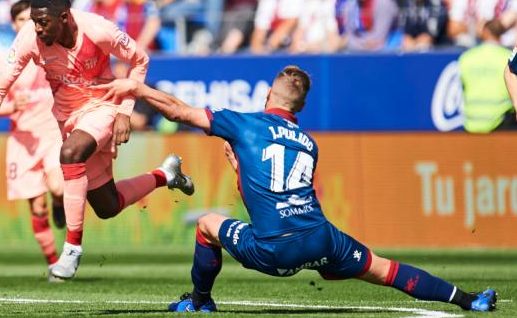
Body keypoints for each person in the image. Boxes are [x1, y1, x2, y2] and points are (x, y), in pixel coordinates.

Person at [95, 66, 498, 314]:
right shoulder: (308, 142)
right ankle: (468, 299)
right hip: (321, 239)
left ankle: (199, 302)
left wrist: (138, 90)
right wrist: (240, 168)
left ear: (267, 95)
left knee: (206, 225)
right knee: (384, 269)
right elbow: (283, 192)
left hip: (275, 247)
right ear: (299, 108)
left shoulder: (245, 123)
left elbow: (179, 111)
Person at [0, 0, 194, 281]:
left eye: (43, 22)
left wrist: (125, 111)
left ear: (65, 17)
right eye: (34, 21)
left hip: (102, 106)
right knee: (108, 206)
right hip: (67, 118)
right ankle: (165, 175)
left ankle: (71, 250)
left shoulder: (98, 29)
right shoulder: (30, 38)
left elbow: (140, 60)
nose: (37, 28)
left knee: (69, 153)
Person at [0, 0, 66, 273]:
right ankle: (54, 264)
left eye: (31, 20)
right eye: (21, 20)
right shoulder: (4, 60)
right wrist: (12, 106)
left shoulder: (53, 51)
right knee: (37, 208)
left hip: (51, 134)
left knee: (58, 188)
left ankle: (59, 203)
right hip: (23, 141)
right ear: (13, 24)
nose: (27, 25)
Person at [459, 20, 514, 133]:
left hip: (471, 122)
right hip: (502, 123)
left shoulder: (466, 57)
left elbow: (463, 88)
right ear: (500, 34)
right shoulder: (509, 57)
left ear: (484, 32)